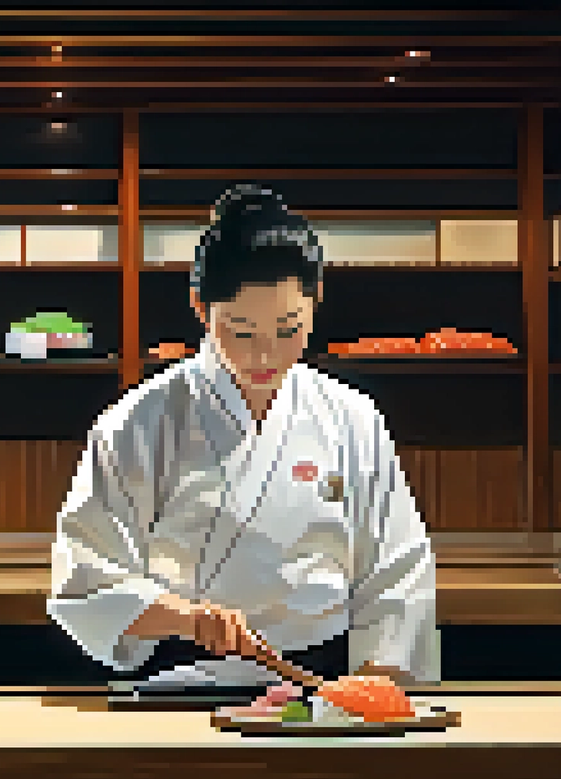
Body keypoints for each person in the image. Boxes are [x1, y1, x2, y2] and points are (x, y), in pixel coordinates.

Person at [47, 184, 438, 687]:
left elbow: (397, 567)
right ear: (200, 308)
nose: (264, 356)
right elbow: (87, 573)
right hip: (182, 677)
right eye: (241, 331)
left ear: (317, 301)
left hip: (319, 682)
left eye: (288, 328)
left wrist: (374, 681)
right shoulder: (138, 421)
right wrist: (186, 617)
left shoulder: (352, 418)